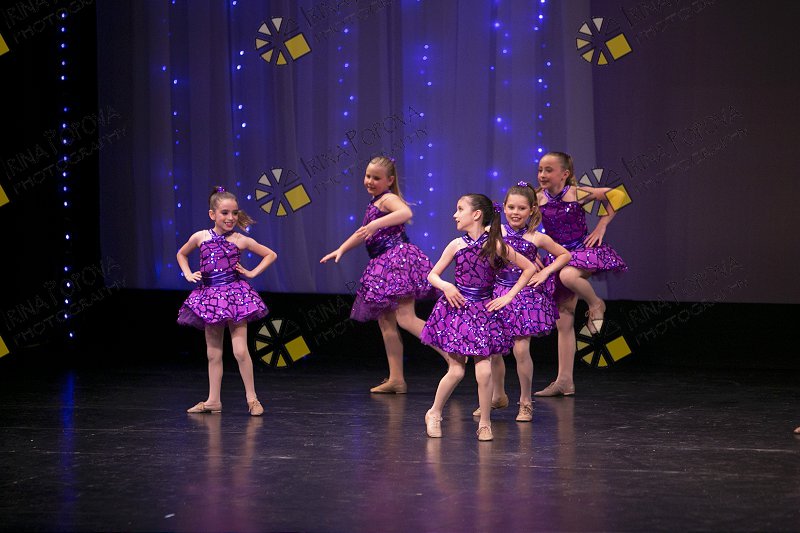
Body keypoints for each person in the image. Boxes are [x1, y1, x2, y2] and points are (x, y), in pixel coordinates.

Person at [421, 194, 536, 441]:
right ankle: (434, 413)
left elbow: (529, 268)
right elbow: (432, 275)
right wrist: (447, 286)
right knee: (456, 371)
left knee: (484, 371)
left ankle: (485, 423)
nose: (455, 214)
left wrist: (509, 296)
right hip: (458, 310)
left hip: (483, 312)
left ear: (476, 215)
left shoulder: (495, 245)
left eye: (459, 209)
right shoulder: (456, 245)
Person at [321, 156, 439, 393]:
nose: (370, 181)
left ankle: (452, 353)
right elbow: (363, 232)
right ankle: (396, 379)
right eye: (368, 176)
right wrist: (341, 248)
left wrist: (376, 225)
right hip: (382, 264)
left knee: (406, 318)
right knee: (385, 321)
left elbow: (405, 212)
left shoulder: (388, 199)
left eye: (376, 178)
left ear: (389, 180)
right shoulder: (375, 202)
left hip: (397, 260)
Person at [472, 181, 571, 421]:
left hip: (524, 296)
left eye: (522, 208)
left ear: (532, 210)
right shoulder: (494, 232)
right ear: (504, 207)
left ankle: (525, 401)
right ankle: (498, 395)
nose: (516, 212)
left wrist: (545, 272)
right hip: (497, 293)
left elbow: (565, 254)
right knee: (494, 350)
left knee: (521, 349)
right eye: (511, 207)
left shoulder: (536, 237)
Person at [534, 152, 627, 397]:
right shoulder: (538, 199)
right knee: (564, 319)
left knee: (568, 276)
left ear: (564, 174)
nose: (542, 174)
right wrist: (532, 254)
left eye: (549, 170)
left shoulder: (576, 194)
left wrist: (601, 225)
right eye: (540, 169)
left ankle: (596, 304)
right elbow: (525, 227)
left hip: (581, 252)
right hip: (558, 257)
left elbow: (618, 195)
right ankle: (565, 381)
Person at [177, 186, 277, 416]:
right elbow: (181, 253)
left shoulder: (241, 240)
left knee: (240, 351)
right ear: (212, 214)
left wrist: (252, 273)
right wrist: (188, 273)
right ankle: (213, 401)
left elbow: (270, 254)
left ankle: (252, 399)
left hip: (234, 297)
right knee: (213, 353)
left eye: (234, 213)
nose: (231, 217)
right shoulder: (200, 237)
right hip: (210, 298)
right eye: (225, 213)